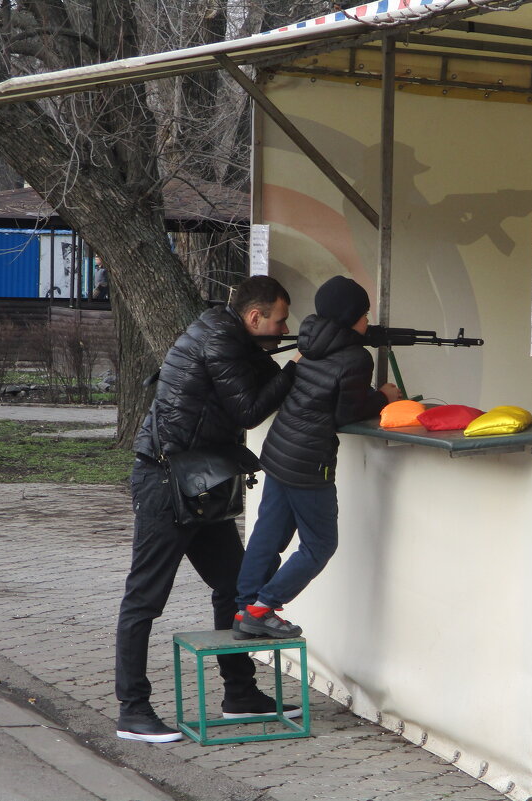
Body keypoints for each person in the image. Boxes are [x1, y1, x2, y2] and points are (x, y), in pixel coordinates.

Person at [115, 275, 297, 743]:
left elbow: (249, 385)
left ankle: (239, 695)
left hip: (198, 483)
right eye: (279, 321)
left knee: (235, 587)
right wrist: (300, 367)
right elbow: (248, 410)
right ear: (255, 317)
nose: (283, 329)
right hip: (166, 481)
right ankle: (132, 712)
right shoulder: (221, 339)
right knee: (144, 599)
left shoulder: (229, 334)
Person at [233, 276, 401, 639]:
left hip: (280, 453)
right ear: (350, 317)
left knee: (268, 533)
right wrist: (384, 396)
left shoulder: (310, 342)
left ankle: (244, 607)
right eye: (364, 314)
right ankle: (263, 608)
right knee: (320, 544)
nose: (368, 321)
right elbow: (345, 414)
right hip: (310, 463)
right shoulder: (356, 358)